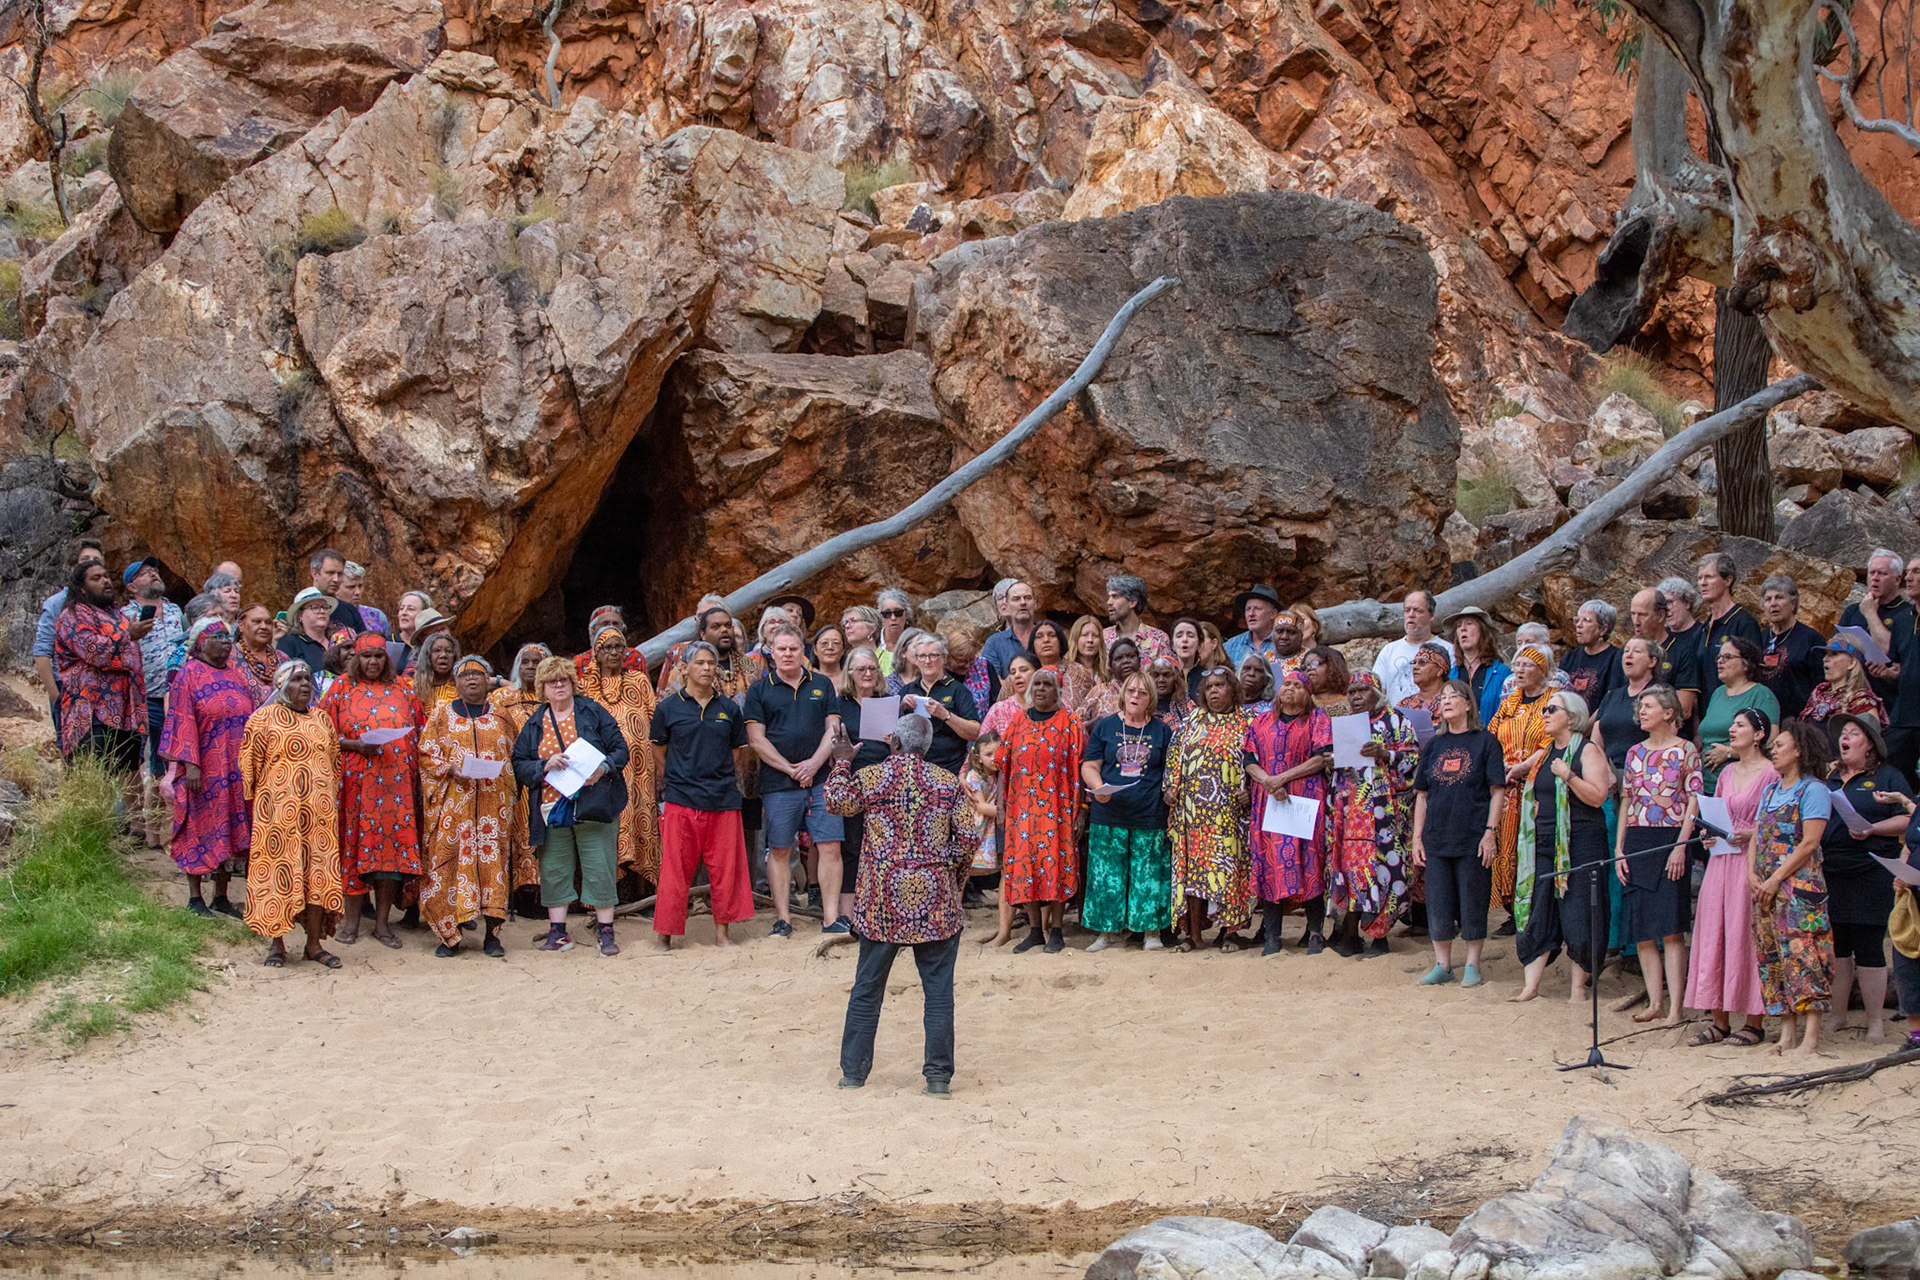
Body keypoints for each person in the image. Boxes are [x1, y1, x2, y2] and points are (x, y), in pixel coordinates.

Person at [825, 714, 980, 1096]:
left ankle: (854, 1073)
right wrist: (950, 878)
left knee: (867, 987)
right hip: (935, 902)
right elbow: (968, 839)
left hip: (883, 901)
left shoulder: (874, 777)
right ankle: (938, 1078)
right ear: (925, 748)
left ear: (894, 742)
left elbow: (836, 801)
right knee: (939, 993)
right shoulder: (947, 783)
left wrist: (843, 761)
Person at [512, 655, 630, 955]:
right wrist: (544, 765)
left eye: (563, 680)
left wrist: (602, 769)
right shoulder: (535, 722)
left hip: (594, 804)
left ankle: (606, 932)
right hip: (552, 807)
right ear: (543, 688)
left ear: (572, 683)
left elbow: (620, 749)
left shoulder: (592, 711)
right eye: (552, 682)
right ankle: (558, 932)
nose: (559, 686)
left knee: (600, 865)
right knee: (554, 868)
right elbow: (520, 764)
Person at [318, 634, 424, 947]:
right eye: (367, 656)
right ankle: (351, 922)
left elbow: (420, 730)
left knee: (390, 852)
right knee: (354, 848)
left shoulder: (404, 688)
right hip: (356, 785)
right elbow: (320, 732)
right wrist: (354, 745)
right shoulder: (340, 688)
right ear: (355, 660)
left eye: (379, 656)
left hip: (397, 786)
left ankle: (382, 924)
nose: (373, 662)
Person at [649, 641, 755, 950]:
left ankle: (723, 935)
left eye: (712, 663)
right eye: (700, 663)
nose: (708, 668)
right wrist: (678, 776)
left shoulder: (729, 708)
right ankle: (664, 937)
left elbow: (737, 751)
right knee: (675, 870)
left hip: (723, 798)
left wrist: (716, 774)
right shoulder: (668, 708)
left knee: (725, 869)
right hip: (681, 798)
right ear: (684, 669)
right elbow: (658, 748)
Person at [1510, 691, 1614, 1003]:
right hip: (1543, 842)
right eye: (1544, 709)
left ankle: (1577, 990)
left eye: (1551, 709)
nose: (1544, 713)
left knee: (1579, 913)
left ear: (1572, 716)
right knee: (1538, 909)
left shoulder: (1587, 750)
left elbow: (1598, 796)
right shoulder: (1543, 754)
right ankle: (1531, 987)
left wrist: (1568, 775)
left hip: (1580, 843)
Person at [239, 661, 343, 967]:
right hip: (278, 816)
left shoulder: (322, 719)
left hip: (319, 816)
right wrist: (267, 800)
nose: (305, 685)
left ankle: (313, 944)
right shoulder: (263, 719)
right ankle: (277, 943)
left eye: (307, 679)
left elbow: (334, 763)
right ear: (283, 685)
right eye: (297, 680)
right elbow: (249, 764)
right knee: (279, 876)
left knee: (317, 876)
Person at [1682, 706, 1777, 1045]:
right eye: (1732, 725)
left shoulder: (1771, 773)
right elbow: (1717, 813)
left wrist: (1749, 834)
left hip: (1750, 863)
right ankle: (1718, 1020)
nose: (1732, 731)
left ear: (1760, 733)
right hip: (1720, 861)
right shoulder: (1725, 773)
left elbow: (1776, 823)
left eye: (1739, 725)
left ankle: (1754, 1022)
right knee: (1714, 933)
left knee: (1745, 935)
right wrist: (1711, 834)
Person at [745, 626, 847, 936]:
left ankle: (830, 919)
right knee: (779, 848)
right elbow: (755, 740)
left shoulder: (822, 684)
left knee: (830, 846)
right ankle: (783, 919)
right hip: (779, 783)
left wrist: (814, 765)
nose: (788, 654)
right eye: (782, 649)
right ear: (770, 652)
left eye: (793, 649)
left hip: (821, 781)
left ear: (803, 651)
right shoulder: (759, 690)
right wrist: (791, 769)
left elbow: (834, 729)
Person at [418, 655, 515, 957]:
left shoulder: (501, 715)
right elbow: (425, 753)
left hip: (493, 808)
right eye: (465, 675)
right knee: (447, 865)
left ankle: (493, 936)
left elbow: (513, 753)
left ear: (488, 680)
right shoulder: (441, 714)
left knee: (493, 869)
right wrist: (449, 769)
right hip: (453, 806)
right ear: (456, 683)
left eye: (478, 674)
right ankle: (451, 935)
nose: (472, 679)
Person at [1411, 679, 1506, 986]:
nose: (1447, 701)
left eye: (1454, 696)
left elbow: (1497, 791)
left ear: (1468, 704)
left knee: (1472, 899)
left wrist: (1490, 832)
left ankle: (1472, 965)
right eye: (1444, 697)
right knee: (1438, 901)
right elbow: (1422, 795)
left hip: (1473, 835)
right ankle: (1443, 964)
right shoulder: (1435, 746)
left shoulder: (1485, 742)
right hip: (1437, 836)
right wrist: (1417, 838)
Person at [1616, 685, 1701, 1027]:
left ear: (1669, 712)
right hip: (1637, 838)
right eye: (1640, 707)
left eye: (1648, 706)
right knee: (1643, 929)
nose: (1642, 712)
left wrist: (1682, 845)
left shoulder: (1686, 751)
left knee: (1670, 927)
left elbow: (1694, 800)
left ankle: (1676, 1008)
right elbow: (1627, 799)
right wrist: (1620, 848)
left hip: (1670, 837)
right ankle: (1654, 1002)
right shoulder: (1634, 752)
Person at [1820, 713, 1908, 1042]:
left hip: (1871, 868)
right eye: (1842, 734)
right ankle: (1838, 1016)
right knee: (1838, 945)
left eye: (1853, 733)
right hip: (1832, 869)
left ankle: (1875, 1023)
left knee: (1869, 945)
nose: (1844, 738)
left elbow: (1907, 818)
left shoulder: (1888, 776)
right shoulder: (1829, 776)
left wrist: (1873, 828)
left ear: (1868, 743)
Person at [1750, 719, 1836, 1055]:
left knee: (1805, 955)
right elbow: (1758, 834)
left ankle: (1811, 1039)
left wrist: (1774, 878)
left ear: (1798, 751)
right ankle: (1786, 1035)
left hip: (1800, 889)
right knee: (1772, 957)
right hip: (1767, 890)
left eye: (1781, 745)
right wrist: (1752, 875)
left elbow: (1809, 842)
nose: (1774, 750)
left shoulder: (1813, 790)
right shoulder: (1771, 790)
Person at [159, 618, 253, 917]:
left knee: (230, 827)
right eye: (219, 636)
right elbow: (180, 720)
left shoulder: (237, 676)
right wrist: (191, 766)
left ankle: (222, 896)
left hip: (235, 768)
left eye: (229, 636)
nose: (227, 641)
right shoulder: (189, 674)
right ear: (201, 642)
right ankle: (195, 897)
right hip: (204, 768)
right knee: (200, 827)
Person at [1079, 672, 1174, 952]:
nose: (1135, 696)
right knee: (1106, 874)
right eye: (1131, 691)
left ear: (1151, 699)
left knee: (1150, 874)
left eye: (1143, 693)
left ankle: (1151, 932)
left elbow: (1170, 770)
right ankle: (1105, 933)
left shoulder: (1161, 730)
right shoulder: (1106, 727)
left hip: (1149, 813)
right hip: (1109, 813)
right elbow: (1089, 765)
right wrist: (1099, 788)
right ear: (1123, 694)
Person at [1326, 672, 1418, 957]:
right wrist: (1331, 762)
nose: (1355, 697)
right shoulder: (1343, 725)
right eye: (1351, 691)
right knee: (1351, 871)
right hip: (1350, 813)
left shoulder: (1396, 720)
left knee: (1384, 871)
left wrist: (1386, 754)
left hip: (1383, 816)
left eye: (1362, 691)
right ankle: (1351, 935)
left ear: (1377, 693)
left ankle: (1380, 937)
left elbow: (1414, 760)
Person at [1246, 671, 1332, 955]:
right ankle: (1272, 936)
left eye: (1298, 686)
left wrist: (1280, 779)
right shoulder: (1261, 721)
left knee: (1310, 860)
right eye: (1287, 684)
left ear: (1307, 694)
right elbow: (1249, 759)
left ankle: (1316, 932)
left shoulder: (1317, 720)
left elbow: (1320, 758)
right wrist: (1269, 782)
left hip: (1304, 799)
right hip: (1269, 800)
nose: (1290, 689)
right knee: (1271, 864)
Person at [1166, 667, 1252, 952]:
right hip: (1193, 813)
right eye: (1209, 686)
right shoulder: (1191, 721)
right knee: (1193, 875)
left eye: (1220, 686)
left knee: (1229, 871)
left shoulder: (1247, 722)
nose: (1214, 691)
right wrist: (1170, 788)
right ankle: (1193, 935)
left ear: (1234, 691)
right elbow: (1174, 757)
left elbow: (1258, 761)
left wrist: (1249, 790)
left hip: (1229, 813)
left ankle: (1230, 932)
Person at [1000, 667, 1085, 954]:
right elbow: (1003, 764)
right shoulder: (1017, 722)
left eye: (1047, 685)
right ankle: (1035, 930)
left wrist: (1081, 810)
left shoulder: (1070, 723)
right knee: (1027, 867)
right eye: (1036, 684)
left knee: (1057, 867)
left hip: (1058, 810)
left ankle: (1057, 930)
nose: (1040, 689)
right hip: (1021, 811)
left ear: (1057, 692)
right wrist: (1001, 805)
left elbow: (1081, 768)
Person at [53, 560, 149, 806]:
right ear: (82, 588)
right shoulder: (71, 615)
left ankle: (136, 832)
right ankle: (93, 832)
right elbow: (93, 650)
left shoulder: (118, 614)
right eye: (96, 578)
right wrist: (128, 635)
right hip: (91, 711)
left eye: (106, 576)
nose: (105, 580)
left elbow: (131, 658)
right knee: (94, 774)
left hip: (126, 709)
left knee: (130, 768)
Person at [577, 621, 662, 893]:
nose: (614, 653)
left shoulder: (638, 680)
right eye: (607, 648)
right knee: (608, 823)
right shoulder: (586, 684)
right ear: (596, 653)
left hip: (640, 771)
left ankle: (642, 889)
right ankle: (608, 892)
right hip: (603, 772)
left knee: (641, 822)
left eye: (618, 647)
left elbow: (655, 719)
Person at [1488, 644, 1556, 920]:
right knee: (1504, 847)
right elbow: (1491, 737)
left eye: (1527, 665)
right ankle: (1511, 909)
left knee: (1530, 846)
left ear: (1544, 670)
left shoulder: (1554, 700)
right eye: (1517, 665)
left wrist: (1523, 768)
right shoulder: (1509, 703)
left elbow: (1551, 741)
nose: (1519, 670)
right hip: (1505, 787)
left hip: (1535, 785)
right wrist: (1498, 765)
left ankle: (1535, 909)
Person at [120, 559, 185, 822]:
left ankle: (156, 829)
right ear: (132, 586)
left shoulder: (175, 611)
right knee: (133, 760)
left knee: (163, 762)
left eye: (155, 571)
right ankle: (134, 822)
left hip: (173, 697)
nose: (154, 574)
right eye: (146, 574)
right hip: (140, 697)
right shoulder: (124, 615)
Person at [490, 642, 552, 898]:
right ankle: (518, 892)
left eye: (536, 663)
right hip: (513, 778)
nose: (530, 667)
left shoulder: (554, 698)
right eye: (525, 662)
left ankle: (546, 892)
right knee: (516, 831)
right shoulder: (502, 698)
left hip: (550, 777)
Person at [33, 539, 106, 731]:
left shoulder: (106, 604)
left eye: (96, 560)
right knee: (74, 756)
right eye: (85, 559)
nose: (91, 563)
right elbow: (42, 653)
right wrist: (56, 697)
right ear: (73, 567)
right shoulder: (57, 604)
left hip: (103, 691)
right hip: (67, 688)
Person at [1699, 637, 1780, 791]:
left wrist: (1729, 753)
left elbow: (1770, 741)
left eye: (1728, 657)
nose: (1720, 661)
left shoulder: (1762, 695)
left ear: (1746, 665)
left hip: (1740, 787)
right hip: (1706, 784)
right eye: (1719, 657)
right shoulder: (1718, 693)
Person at [898, 632, 982, 775]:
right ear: (916, 660)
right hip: (913, 771)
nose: (927, 661)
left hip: (950, 768)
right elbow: (890, 734)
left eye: (933, 655)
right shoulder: (907, 690)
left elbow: (975, 732)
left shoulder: (957, 690)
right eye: (922, 656)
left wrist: (946, 715)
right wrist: (901, 708)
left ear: (943, 658)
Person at [1839, 548, 1911, 711]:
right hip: (1851, 698)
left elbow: (1892, 649)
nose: (1875, 578)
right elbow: (1837, 648)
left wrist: (1871, 614)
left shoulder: (1906, 614)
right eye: (1872, 573)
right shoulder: (1853, 611)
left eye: (1882, 574)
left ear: (1897, 579)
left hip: (1889, 701)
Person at [1694, 553, 1764, 704]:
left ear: (1728, 580)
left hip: (1736, 713)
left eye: (1709, 577)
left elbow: (1754, 675)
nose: (1703, 583)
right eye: (1700, 578)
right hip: (1707, 717)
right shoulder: (1703, 628)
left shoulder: (1744, 623)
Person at [1758, 575, 1825, 721]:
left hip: (1799, 721)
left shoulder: (1811, 638)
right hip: (1763, 721)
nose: (1773, 604)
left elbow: (1821, 686)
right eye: (1768, 599)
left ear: (1793, 604)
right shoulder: (1759, 638)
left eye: (1779, 597)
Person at [1373, 591, 1454, 707]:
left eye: (1418, 610)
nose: (1411, 615)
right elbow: (1378, 692)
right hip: (1397, 722)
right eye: (1407, 610)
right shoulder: (1389, 650)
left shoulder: (1448, 650)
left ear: (1431, 616)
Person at [1802, 635, 1889, 738]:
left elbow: (1869, 743)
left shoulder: (1863, 702)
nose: (1825, 659)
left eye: (1834, 654)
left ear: (1852, 663)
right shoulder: (1818, 693)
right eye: (1826, 654)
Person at [1446, 606, 1510, 727]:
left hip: (1489, 742)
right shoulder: (1451, 675)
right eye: (1459, 626)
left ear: (1483, 632)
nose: (1463, 628)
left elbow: (1507, 716)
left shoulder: (1502, 673)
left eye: (1469, 624)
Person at [1658, 576, 1706, 726]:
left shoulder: (1703, 633)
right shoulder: (1661, 638)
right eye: (1663, 605)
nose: (1667, 609)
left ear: (1687, 602)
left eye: (1670, 602)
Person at [1561, 601, 1622, 710]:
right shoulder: (1570, 657)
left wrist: (1587, 725)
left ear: (1603, 629)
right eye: (1577, 620)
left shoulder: (1615, 658)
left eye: (1586, 620)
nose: (1579, 625)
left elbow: (1609, 699)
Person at [1103, 574, 1173, 667]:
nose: (1109, 602)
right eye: (1109, 597)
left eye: (1115, 596)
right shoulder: (1103, 637)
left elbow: (1167, 676)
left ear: (1132, 602)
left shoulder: (1159, 639)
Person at [981, 580, 1039, 678]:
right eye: (1016, 599)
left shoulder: (1048, 636)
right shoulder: (994, 643)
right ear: (1007, 605)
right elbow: (994, 682)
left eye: (1027, 598)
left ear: (1035, 603)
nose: (1023, 602)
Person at [1083, 637, 1143, 724]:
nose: (1126, 661)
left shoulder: (1149, 691)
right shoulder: (1100, 691)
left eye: (1131, 656)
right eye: (1119, 658)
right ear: (1110, 665)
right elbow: (1075, 725)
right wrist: (1096, 722)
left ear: (1139, 661)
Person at [306, 548, 365, 633]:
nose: (336, 579)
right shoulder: (300, 608)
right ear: (315, 574)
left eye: (340, 574)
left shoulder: (350, 611)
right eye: (330, 573)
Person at [1223, 584, 1283, 668]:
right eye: (1248, 609)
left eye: (1258, 608)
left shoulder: (1284, 644)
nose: (1251, 614)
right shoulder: (1230, 646)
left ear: (1273, 614)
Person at [981, 651, 1038, 738]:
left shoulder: (1053, 707)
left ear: (1038, 673)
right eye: (1013, 672)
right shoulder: (999, 710)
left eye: (1023, 670)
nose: (1017, 675)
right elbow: (980, 744)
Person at [277, 588, 334, 670]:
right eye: (315, 607)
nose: (322, 611)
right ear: (300, 615)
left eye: (325, 607)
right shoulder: (290, 642)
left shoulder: (336, 640)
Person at [233, 603, 278, 705]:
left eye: (268, 622)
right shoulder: (228, 656)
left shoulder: (282, 658)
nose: (264, 627)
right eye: (256, 622)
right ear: (241, 625)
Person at [1051, 618, 1099, 712]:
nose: (1090, 640)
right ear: (1075, 638)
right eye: (1084, 635)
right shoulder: (1063, 670)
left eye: (1095, 635)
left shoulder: (1108, 673)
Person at [1397, 642, 1451, 718]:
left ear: (1439, 670)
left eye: (1422, 663)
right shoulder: (1403, 705)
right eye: (1414, 662)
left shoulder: (1451, 703)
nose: (1415, 667)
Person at [413, 631, 460, 714]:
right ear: (428, 656)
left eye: (448, 651)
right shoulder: (414, 687)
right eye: (437, 651)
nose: (443, 655)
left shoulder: (461, 687)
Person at [339, 562, 390, 636]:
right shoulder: (327, 616)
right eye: (351, 587)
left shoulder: (377, 616)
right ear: (336, 589)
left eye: (360, 586)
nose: (357, 592)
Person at [1302, 646, 1351, 716]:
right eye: (1305, 666)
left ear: (1333, 666)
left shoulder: (1352, 700)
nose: (1309, 668)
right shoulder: (1302, 703)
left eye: (1315, 663)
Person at [875, 588, 914, 675]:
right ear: (881, 617)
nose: (893, 618)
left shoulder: (916, 641)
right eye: (887, 614)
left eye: (898, 613)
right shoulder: (873, 640)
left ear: (906, 614)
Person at [1146, 655, 1191, 729]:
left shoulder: (1186, 704)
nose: (1161, 680)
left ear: (1176, 678)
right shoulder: (1144, 706)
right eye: (1156, 675)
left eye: (1166, 675)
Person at [1172, 618, 1208, 702]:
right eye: (1179, 636)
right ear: (1172, 645)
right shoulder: (1163, 676)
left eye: (1190, 635)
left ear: (1200, 645)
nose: (1184, 639)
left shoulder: (1207, 678)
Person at [1237, 651, 1276, 718]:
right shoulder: (1228, 703)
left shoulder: (1272, 709)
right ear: (1239, 673)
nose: (1251, 674)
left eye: (1258, 670)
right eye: (1247, 668)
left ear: (1266, 679)